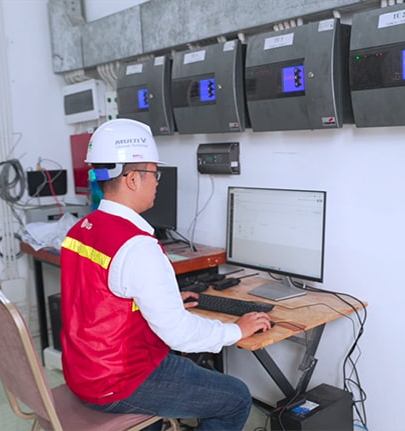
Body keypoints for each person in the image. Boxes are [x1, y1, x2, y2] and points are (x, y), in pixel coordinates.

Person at [59, 118, 272, 431]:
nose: (157, 181)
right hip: (120, 380)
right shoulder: (137, 246)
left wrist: (166, 301)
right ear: (132, 179)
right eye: (153, 173)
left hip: (83, 371)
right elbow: (178, 334)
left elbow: (99, 299)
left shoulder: (80, 231)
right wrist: (236, 331)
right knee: (237, 398)